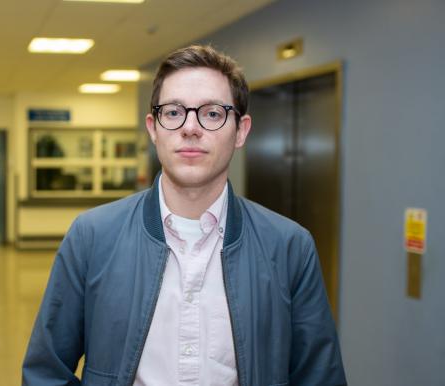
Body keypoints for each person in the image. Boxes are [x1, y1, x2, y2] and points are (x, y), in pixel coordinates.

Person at [22, 45, 346, 386]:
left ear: (241, 131)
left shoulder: (289, 246)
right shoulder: (93, 236)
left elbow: (319, 377)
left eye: (212, 113)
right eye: (174, 112)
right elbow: (46, 372)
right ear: (153, 128)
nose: (190, 128)